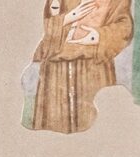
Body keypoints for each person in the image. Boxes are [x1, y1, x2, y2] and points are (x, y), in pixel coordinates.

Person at [29, 0, 134, 133]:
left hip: (94, 67)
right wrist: (67, 18)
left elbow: (125, 26)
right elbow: (47, 24)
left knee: (97, 130)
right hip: (57, 70)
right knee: (53, 128)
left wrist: (97, 36)